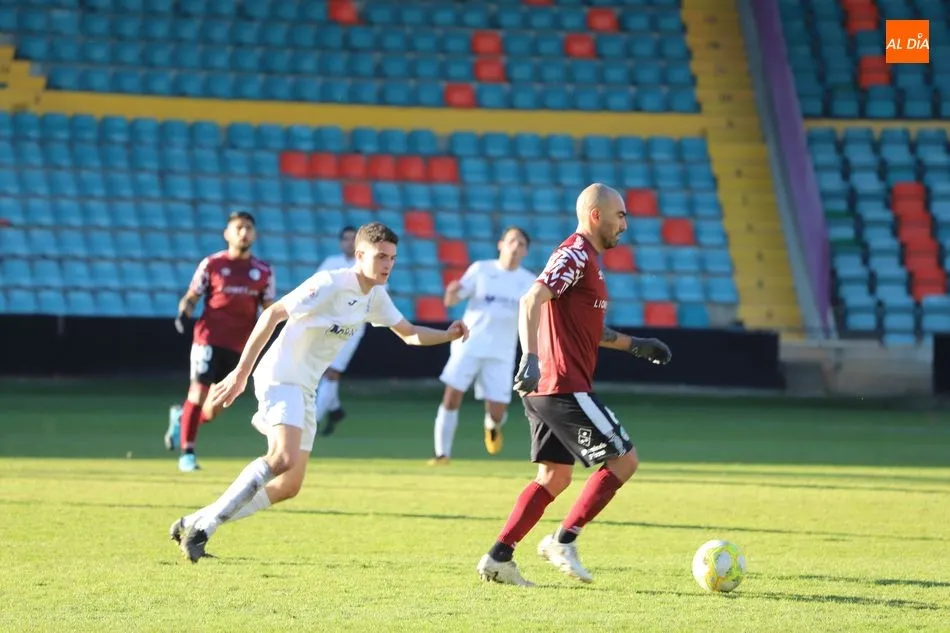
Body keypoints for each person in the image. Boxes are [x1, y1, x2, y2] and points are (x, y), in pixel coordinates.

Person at [169, 222, 470, 563]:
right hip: (280, 377)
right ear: (359, 255)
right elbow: (272, 314)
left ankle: (192, 521)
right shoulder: (329, 283)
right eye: (381, 256)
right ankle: (202, 533)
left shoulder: (374, 296)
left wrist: (448, 335)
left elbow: (409, 332)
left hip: (304, 388)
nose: (388, 264)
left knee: (288, 485)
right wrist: (241, 373)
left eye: (393, 258)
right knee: (282, 458)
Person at [475, 184, 672, 587]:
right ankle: (564, 539)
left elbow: (592, 331)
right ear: (596, 215)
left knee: (555, 477)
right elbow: (531, 299)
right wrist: (529, 357)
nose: (625, 224)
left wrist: (637, 346)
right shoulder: (575, 254)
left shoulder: (588, 263)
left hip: (547, 387)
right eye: (620, 215)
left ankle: (499, 557)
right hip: (561, 383)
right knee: (624, 460)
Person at [164, 210, 275, 473]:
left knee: (213, 409)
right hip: (208, 339)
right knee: (198, 393)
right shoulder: (212, 264)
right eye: (238, 228)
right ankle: (187, 454)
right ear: (227, 233)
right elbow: (192, 295)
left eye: (248, 228)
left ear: (255, 234)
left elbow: (269, 308)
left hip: (240, 346)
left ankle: (182, 418)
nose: (243, 232)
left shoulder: (263, 272)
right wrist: (184, 313)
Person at [429, 227, 536, 465]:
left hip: (502, 352)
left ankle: (492, 426)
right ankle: (442, 454)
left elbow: (534, 316)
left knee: (497, 410)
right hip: (469, 344)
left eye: (520, 244)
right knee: (452, 396)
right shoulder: (481, 270)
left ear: (526, 251)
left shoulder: (529, 282)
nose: (515, 247)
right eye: (511, 241)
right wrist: (451, 293)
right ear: (501, 244)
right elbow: (453, 299)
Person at [312, 226, 359, 436]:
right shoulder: (331, 263)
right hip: (328, 324)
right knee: (322, 369)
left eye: (353, 239)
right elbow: (314, 287)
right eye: (346, 239)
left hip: (352, 328)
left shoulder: (368, 266)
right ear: (341, 242)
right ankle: (335, 409)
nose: (350, 243)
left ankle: (312, 421)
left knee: (332, 372)